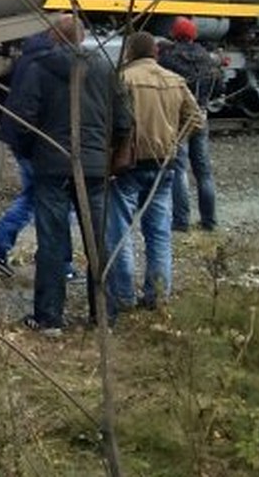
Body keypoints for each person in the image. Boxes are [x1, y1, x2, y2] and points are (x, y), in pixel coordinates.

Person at [13, 16, 131, 333]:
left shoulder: (39, 69)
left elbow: (23, 120)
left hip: (51, 166)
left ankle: (49, 317)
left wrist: (31, 153)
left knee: (52, 241)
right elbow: (123, 120)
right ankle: (104, 316)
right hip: (93, 168)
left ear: (54, 37)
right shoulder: (105, 70)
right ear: (81, 38)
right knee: (98, 241)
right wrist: (107, 152)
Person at [108, 32, 203, 315]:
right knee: (159, 232)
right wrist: (174, 141)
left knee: (120, 233)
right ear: (155, 53)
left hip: (128, 164)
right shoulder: (174, 80)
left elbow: (111, 121)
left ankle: (123, 297)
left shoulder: (123, 79)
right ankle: (158, 296)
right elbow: (196, 118)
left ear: (130, 53)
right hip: (164, 164)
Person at [0, 24, 79, 281]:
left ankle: (2, 245)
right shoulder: (49, 63)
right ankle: (58, 261)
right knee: (49, 201)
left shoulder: (30, 55)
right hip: (40, 144)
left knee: (35, 196)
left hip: (25, 140)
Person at [158, 16, 221, 231]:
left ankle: (181, 222)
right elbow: (219, 86)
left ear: (174, 34)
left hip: (178, 120)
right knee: (203, 172)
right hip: (201, 117)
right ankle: (209, 221)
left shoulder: (167, 58)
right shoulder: (207, 59)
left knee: (179, 170)